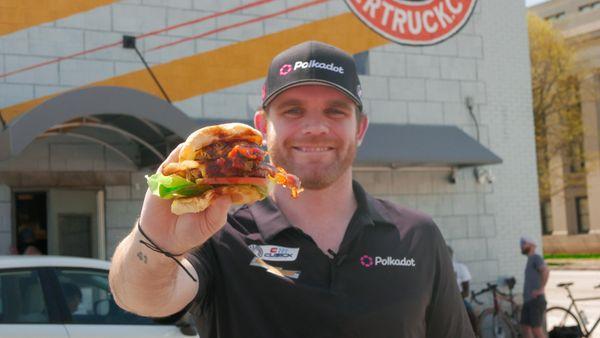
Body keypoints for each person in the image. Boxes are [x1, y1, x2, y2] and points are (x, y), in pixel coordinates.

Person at [109, 41, 474, 338]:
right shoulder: (219, 235)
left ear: (360, 128)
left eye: (335, 111)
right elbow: (140, 297)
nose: (315, 127)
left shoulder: (417, 236)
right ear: (261, 126)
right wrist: (155, 241)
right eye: (293, 110)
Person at [520, 236, 549, 338]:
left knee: (537, 330)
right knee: (525, 328)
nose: (521, 246)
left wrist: (541, 289)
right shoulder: (530, 260)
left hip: (535, 301)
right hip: (528, 301)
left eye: (524, 243)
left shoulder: (536, 258)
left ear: (531, 245)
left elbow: (545, 271)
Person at [449, 245, 478, 335]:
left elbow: (466, 292)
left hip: (458, 299)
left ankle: (475, 334)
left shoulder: (460, 268)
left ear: (451, 255)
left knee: (472, 316)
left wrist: (455, 298)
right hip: (441, 300)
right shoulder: (436, 268)